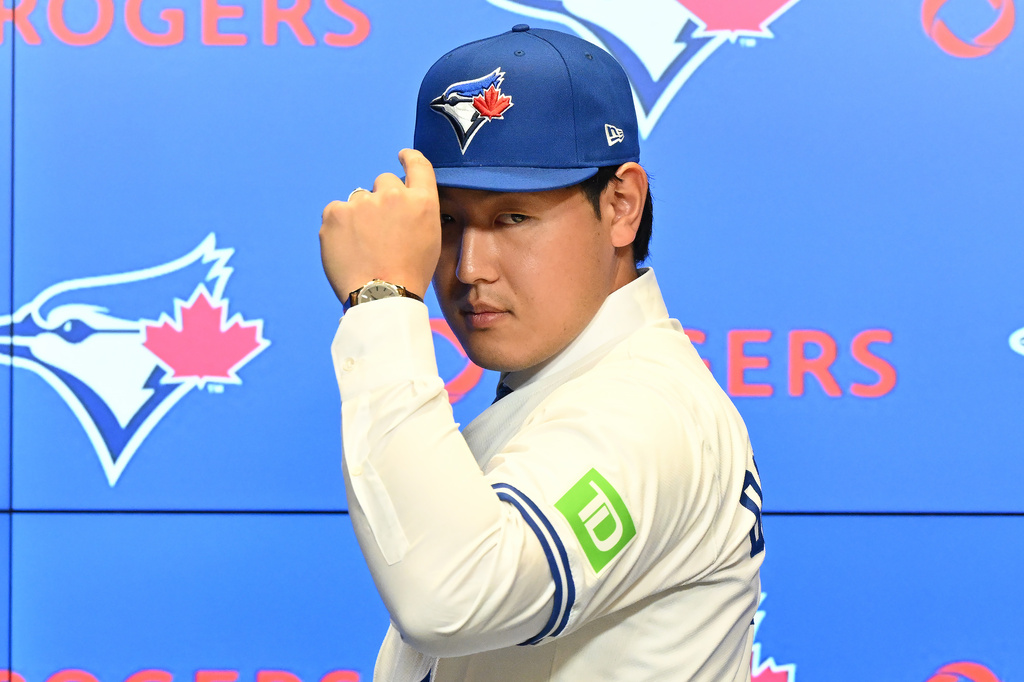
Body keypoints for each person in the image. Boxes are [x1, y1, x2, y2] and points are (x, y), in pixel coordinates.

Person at [319, 25, 764, 682]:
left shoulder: (646, 408)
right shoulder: (559, 390)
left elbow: (451, 598)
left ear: (621, 205)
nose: (469, 267)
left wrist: (381, 301)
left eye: (512, 218)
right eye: (445, 222)